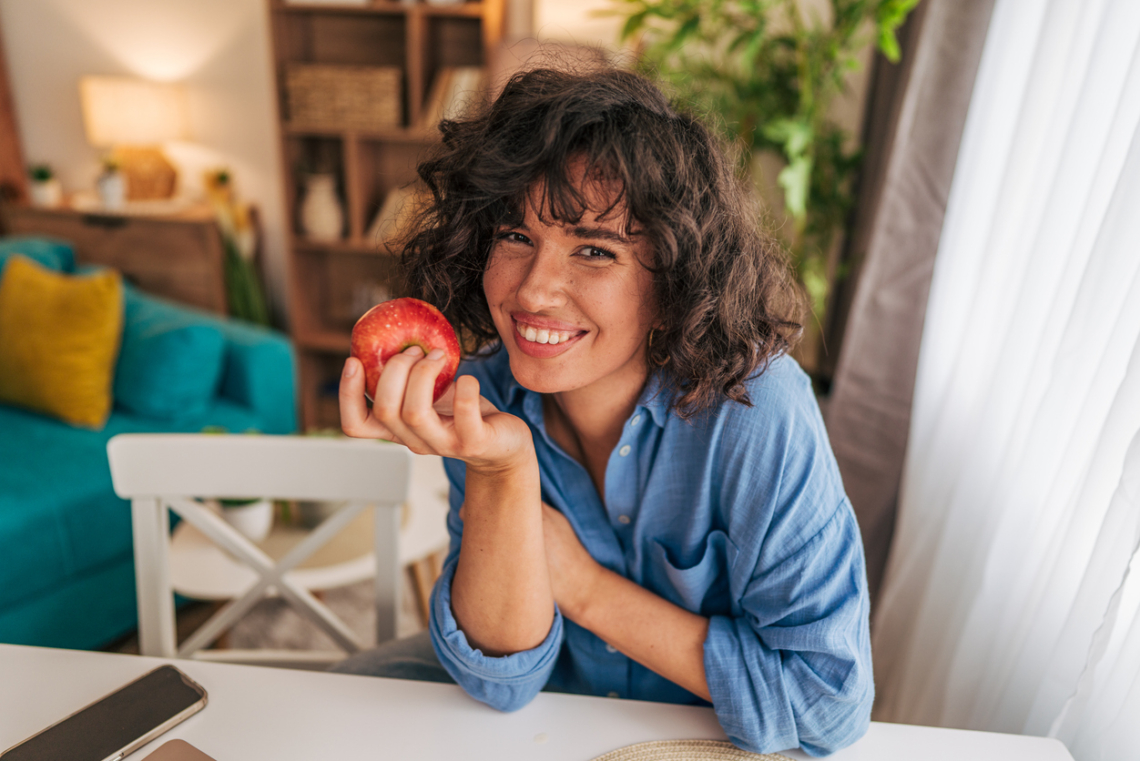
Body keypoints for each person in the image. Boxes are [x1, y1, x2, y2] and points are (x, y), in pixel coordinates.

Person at [334, 65, 873, 757]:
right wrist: (504, 470)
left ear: (677, 277)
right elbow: (500, 680)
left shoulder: (757, 411)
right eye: (515, 235)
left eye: (594, 249)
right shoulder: (484, 397)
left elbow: (826, 703)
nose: (534, 290)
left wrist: (584, 587)